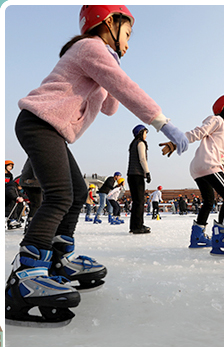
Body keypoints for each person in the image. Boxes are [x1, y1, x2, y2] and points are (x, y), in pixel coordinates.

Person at [6, 5, 189, 328]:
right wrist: (162, 122)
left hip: (53, 130)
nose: (129, 44)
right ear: (108, 24)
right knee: (60, 195)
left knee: (77, 193)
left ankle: (59, 260)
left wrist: (113, 66)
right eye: (128, 35)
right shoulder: (88, 47)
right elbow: (124, 89)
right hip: (38, 123)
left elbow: (109, 107)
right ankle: (26, 274)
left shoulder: (97, 54)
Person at [161, 94, 224, 255]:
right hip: (209, 164)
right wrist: (176, 143)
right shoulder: (217, 121)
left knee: (209, 201)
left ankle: (198, 236)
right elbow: (198, 132)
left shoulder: (223, 129)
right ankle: (220, 238)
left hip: (199, 167)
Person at [127, 125, 151, 234]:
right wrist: (147, 172)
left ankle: (135, 225)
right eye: (145, 132)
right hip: (137, 175)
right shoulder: (140, 143)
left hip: (131, 175)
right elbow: (142, 159)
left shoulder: (133, 144)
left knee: (137, 201)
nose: (146, 135)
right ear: (140, 133)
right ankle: (137, 226)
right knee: (139, 201)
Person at [20, 159, 42, 233]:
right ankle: (32, 225)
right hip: (33, 183)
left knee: (36, 204)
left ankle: (32, 224)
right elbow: (38, 168)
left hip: (31, 182)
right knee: (37, 204)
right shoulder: (40, 152)